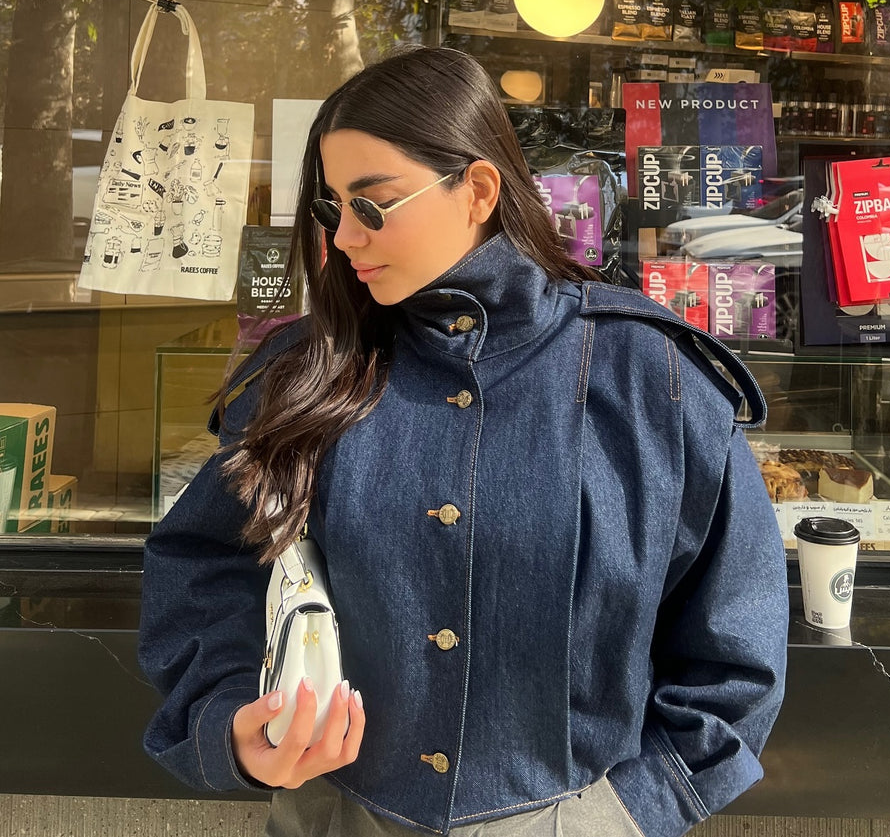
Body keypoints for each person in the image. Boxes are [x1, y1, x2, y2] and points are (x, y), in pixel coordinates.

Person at [138, 46, 789, 837]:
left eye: (372, 204)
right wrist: (234, 718)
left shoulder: (651, 376)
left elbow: (735, 647)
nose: (344, 236)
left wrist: (623, 815)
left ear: (478, 189)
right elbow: (204, 567)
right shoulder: (304, 373)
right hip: (335, 817)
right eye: (330, 207)